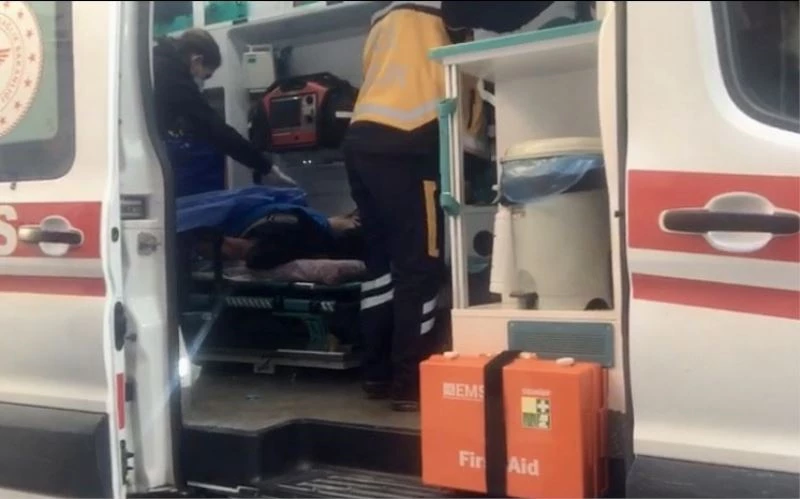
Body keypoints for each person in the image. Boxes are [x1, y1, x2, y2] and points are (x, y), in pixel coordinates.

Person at [344, 0, 559, 412]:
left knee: (381, 267)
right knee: (419, 267)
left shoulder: (387, 14)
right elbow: (507, 15)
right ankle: (411, 383)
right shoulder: (438, 6)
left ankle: (377, 373)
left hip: (363, 140)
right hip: (409, 142)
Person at [153, 29, 296, 198]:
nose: (202, 83)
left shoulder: (156, 60)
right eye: (206, 76)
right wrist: (266, 167)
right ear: (197, 61)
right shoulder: (173, 77)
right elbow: (215, 129)